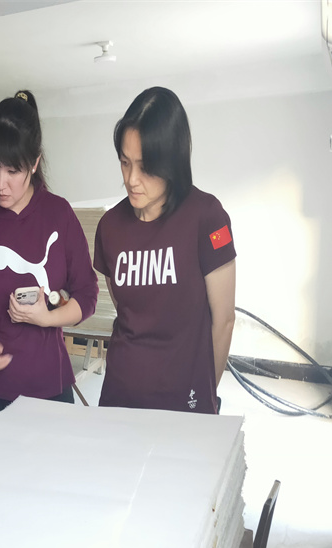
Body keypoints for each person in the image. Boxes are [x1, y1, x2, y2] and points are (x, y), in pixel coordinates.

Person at [0, 90, 99, 423]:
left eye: (13, 171)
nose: (1, 184)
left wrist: (46, 318)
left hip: (49, 388)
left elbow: (86, 296)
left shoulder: (59, 215)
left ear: (35, 163)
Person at [93, 86, 236, 414]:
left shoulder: (207, 217)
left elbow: (224, 320)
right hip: (119, 396)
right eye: (125, 163)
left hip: (184, 400)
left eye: (145, 167)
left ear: (171, 162)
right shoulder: (110, 227)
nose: (131, 179)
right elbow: (126, 310)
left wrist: (204, 395)